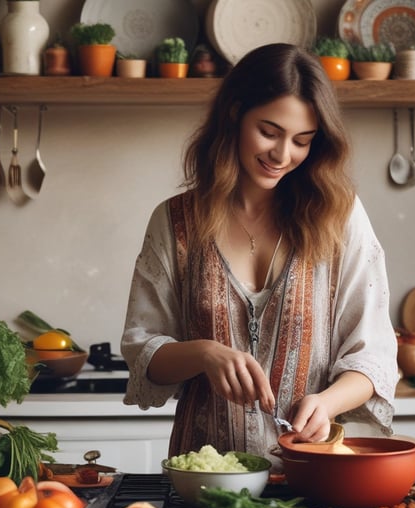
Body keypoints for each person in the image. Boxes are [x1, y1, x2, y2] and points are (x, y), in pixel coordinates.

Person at [121, 42, 399, 468]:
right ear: (234, 115)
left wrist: (326, 403)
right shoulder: (175, 221)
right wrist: (204, 353)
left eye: (302, 141)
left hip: (309, 476)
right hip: (205, 479)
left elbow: (373, 355)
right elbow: (144, 354)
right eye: (269, 132)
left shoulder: (339, 216)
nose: (282, 155)